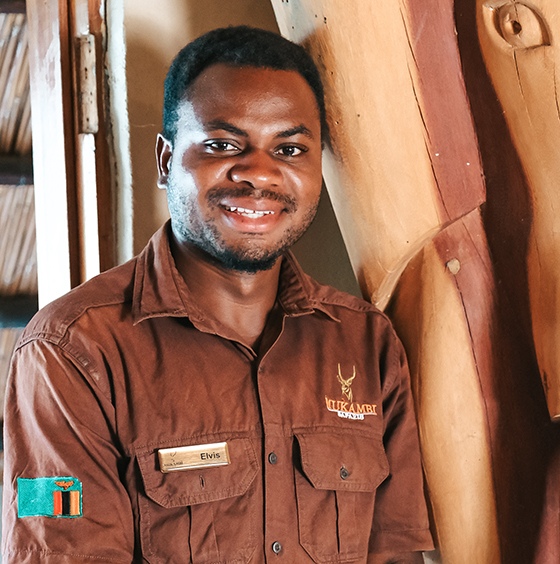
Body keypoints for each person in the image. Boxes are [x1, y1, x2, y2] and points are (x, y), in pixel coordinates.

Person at [2, 26, 433, 564]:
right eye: (223, 145)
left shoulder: (366, 343)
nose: (259, 173)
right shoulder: (70, 351)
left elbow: (394, 555)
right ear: (165, 161)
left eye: (289, 149)